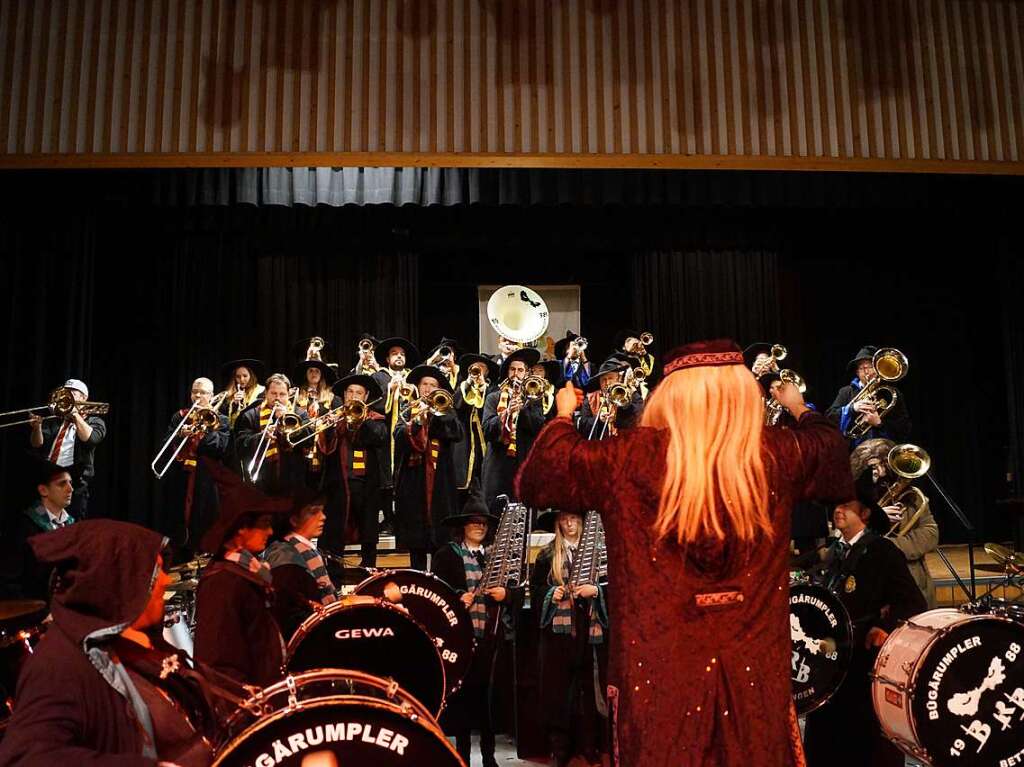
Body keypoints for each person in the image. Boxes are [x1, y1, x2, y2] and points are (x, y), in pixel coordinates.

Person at [515, 339, 854, 767]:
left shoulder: (633, 456)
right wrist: (799, 407)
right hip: (753, 662)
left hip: (659, 665)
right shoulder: (774, 453)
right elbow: (830, 452)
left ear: (670, 395)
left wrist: (564, 414)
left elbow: (546, 475)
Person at [0, 520, 225, 766]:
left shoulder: (124, 641)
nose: (165, 581)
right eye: (154, 572)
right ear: (121, 581)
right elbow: (25, 759)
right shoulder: (57, 666)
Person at [801, 493, 928, 767]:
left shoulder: (883, 551)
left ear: (866, 513)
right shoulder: (831, 552)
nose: (838, 510)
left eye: (846, 506)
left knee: (865, 742)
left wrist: (884, 627)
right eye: (836, 505)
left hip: (862, 662)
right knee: (824, 739)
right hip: (829, 664)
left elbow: (912, 601)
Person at [193, 470, 292, 688]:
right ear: (241, 529)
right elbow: (216, 662)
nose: (270, 530)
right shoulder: (222, 583)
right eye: (264, 523)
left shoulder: (248, 573)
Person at [430, 493, 506, 767]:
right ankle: (461, 756)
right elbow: (436, 592)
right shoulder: (447, 555)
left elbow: (516, 590)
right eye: (474, 522)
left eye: (483, 523)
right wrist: (458, 595)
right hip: (460, 638)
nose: (479, 527)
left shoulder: (496, 558)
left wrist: (505, 594)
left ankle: (488, 755)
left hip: (490, 637)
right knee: (462, 699)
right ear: (463, 526)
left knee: (487, 700)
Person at [530, 510, 609, 767]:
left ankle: (589, 746)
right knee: (559, 692)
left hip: (590, 630)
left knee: (588, 690)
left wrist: (595, 590)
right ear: (558, 523)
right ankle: (560, 749)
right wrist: (551, 594)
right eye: (564, 519)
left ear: (582, 521)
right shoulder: (548, 555)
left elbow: (615, 585)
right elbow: (536, 589)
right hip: (558, 634)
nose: (569, 523)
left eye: (574, 518)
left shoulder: (599, 554)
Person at [850, 438, 939, 607]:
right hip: (871, 581)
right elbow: (845, 537)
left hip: (912, 580)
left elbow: (931, 533)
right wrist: (877, 515)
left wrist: (891, 546)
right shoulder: (854, 501)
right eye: (873, 467)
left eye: (883, 464)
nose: (880, 471)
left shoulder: (912, 496)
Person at [393, 364, 464, 571]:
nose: (428, 389)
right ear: (418, 387)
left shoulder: (447, 411)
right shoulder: (408, 410)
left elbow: (456, 433)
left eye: (433, 385)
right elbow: (398, 438)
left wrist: (435, 417)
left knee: (441, 544)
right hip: (414, 483)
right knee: (416, 544)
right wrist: (417, 423)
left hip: (440, 483)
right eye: (424, 384)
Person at [317, 373, 388, 566]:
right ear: (344, 396)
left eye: (359, 392)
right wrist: (329, 426)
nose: (354, 396)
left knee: (368, 536)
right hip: (339, 484)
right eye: (350, 392)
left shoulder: (375, 418)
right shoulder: (334, 416)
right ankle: (334, 578)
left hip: (367, 485)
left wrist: (362, 419)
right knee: (334, 534)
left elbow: (379, 437)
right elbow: (325, 447)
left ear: (365, 397)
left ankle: (368, 576)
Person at [157, 377, 230, 556]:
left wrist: (205, 431)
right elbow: (165, 444)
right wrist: (181, 435)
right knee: (178, 520)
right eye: (195, 391)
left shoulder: (221, 419)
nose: (198, 395)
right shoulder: (180, 416)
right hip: (181, 476)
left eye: (203, 392)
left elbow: (220, 448)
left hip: (206, 477)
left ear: (211, 395)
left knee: (205, 519)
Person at [262, 492, 336, 640]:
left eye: (322, 510)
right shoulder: (286, 555)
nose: (323, 517)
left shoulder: (301, 548)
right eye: (314, 512)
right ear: (294, 520)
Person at [28, 378, 106, 518]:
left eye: (73, 393)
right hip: (49, 479)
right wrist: (37, 428)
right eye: (66, 392)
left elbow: (90, 439)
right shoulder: (55, 419)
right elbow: (37, 444)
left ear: (84, 398)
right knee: (39, 523)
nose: (67, 395)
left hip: (75, 484)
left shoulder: (95, 421)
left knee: (71, 531)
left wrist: (75, 414)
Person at [481, 348, 547, 512]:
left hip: (523, 463)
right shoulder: (493, 397)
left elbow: (538, 427)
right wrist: (507, 413)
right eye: (512, 369)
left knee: (523, 516)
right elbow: (487, 429)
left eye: (520, 370)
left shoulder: (534, 399)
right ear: (507, 372)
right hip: (498, 466)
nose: (516, 374)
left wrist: (523, 409)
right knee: (495, 513)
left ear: (526, 374)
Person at [0, 458, 75, 601]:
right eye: (62, 484)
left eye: (70, 483)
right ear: (43, 490)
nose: (70, 489)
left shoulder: (72, 525)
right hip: (34, 610)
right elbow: (10, 580)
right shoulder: (24, 527)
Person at [232, 373, 308, 494]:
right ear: (266, 393)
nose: (277, 398)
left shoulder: (300, 414)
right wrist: (262, 436)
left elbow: (307, 441)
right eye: (273, 393)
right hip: (261, 481)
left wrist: (286, 419)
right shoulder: (251, 415)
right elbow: (240, 445)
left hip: (292, 478)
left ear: (289, 395)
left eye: (282, 394)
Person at [826, 346, 912, 447]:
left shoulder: (891, 393)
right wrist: (852, 408)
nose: (866, 371)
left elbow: (904, 428)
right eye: (862, 368)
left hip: (883, 450)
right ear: (857, 373)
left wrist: (879, 424)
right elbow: (829, 418)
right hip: (852, 450)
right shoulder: (846, 392)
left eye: (870, 366)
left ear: (878, 368)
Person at [453, 353, 498, 494]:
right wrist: (468, 383)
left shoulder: (493, 390)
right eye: (474, 367)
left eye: (482, 367)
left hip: (484, 438)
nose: (478, 370)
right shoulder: (463, 387)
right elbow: (456, 405)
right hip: (465, 438)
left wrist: (483, 387)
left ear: (488, 371)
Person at [575, 354, 644, 440]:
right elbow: (582, 425)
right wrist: (599, 419)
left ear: (618, 379)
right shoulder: (590, 398)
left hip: (625, 445)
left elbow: (639, 417)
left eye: (610, 378)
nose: (607, 383)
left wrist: (624, 408)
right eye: (603, 379)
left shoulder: (631, 394)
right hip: (600, 447)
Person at [220, 358, 266, 428]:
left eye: (245, 376)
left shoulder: (262, 391)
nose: (242, 380)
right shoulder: (229, 394)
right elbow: (224, 418)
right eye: (238, 377)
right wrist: (234, 404)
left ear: (251, 376)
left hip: (253, 429)